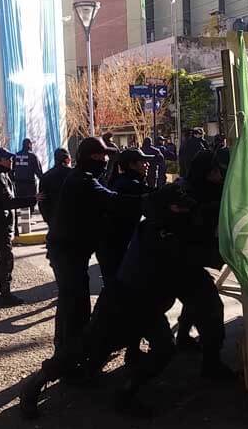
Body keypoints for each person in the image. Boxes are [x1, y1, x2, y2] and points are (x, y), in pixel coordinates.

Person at [20, 184, 197, 419]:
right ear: (170, 208)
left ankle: (126, 394)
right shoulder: (158, 233)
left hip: (147, 306)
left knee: (164, 349)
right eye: (179, 206)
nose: (184, 210)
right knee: (88, 345)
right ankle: (34, 385)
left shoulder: (164, 225)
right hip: (121, 302)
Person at [46, 137, 141, 350]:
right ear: (92, 157)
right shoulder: (83, 180)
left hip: (70, 250)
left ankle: (69, 350)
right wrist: (149, 201)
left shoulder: (83, 176)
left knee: (72, 301)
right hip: (68, 251)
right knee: (75, 304)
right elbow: (113, 201)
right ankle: (69, 358)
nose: (106, 160)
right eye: (103, 156)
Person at [174, 151, 235, 379]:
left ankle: (182, 338)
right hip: (178, 263)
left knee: (195, 301)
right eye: (215, 172)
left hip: (188, 263)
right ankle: (212, 366)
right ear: (205, 173)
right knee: (212, 310)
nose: (219, 175)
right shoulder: (187, 195)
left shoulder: (202, 188)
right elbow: (196, 225)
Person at [0, 147, 36, 305]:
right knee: (6, 259)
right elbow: (8, 202)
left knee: (1, 258)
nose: (11, 161)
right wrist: (33, 199)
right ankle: (5, 293)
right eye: (7, 158)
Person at [98, 148, 155, 288]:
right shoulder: (129, 185)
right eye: (143, 162)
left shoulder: (123, 181)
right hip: (115, 246)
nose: (147, 165)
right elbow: (153, 197)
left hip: (114, 245)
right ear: (132, 165)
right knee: (118, 289)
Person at [37, 148, 73, 225]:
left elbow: (42, 201)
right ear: (67, 159)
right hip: (72, 221)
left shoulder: (45, 177)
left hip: (53, 221)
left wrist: (48, 219)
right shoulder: (74, 174)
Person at [12, 138, 43, 211]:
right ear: (29, 145)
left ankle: (24, 219)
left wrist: (13, 180)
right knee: (30, 201)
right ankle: (28, 219)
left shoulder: (16, 155)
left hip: (18, 184)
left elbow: (11, 170)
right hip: (30, 184)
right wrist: (43, 180)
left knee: (21, 201)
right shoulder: (33, 156)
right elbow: (38, 171)